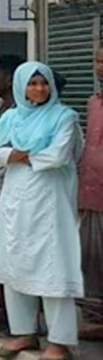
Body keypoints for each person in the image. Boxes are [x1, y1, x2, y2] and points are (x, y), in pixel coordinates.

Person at [0, 62, 84, 360]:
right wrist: (15, 155)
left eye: (44, 83)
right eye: (32, 83)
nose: (39, 89)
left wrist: (16, 155)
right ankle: (24, 332)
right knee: (15, 258)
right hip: (16, 198)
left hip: (51, 199)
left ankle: (60, 341)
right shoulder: (11, 117)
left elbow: (58, 156)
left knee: (53, 265)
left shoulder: (65, 117)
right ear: (21, 87)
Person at [83, 48, 103, 336]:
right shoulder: (93, 102)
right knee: (91, 258)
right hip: (91, 192)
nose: (101, 67)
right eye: (98, 61)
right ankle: (96, 319)